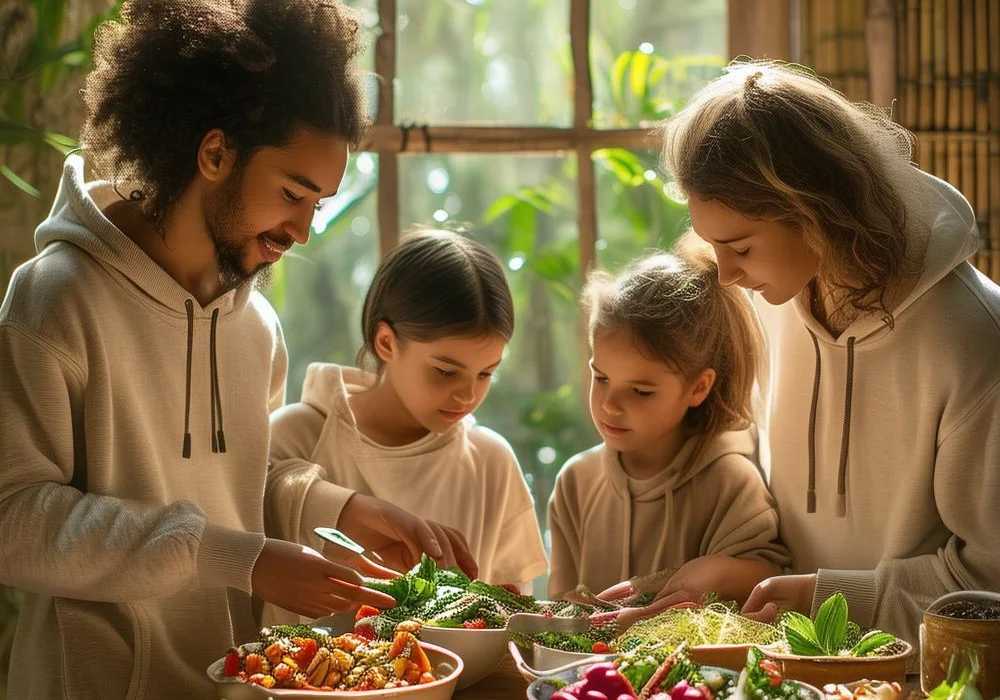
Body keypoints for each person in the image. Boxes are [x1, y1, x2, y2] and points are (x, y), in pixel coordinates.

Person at [0, 2, 472, 698]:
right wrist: (233, 556)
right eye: (292, 193)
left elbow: (234, 493)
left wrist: (342, 510)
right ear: (215, 153)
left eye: (318, 205)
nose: (303, 231)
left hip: (233, 684)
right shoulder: (55, 300)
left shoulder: (258, 329)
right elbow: (13, 519)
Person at [652, 60, 1000, 646]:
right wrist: (740, 566)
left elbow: (992, 583)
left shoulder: (974, 341)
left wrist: (835, 600)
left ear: (818, 214)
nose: (727, 274)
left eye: (739, 246)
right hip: (786, 656)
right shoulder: (774, 291)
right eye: (715, 246)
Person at [267, 229, 549, 600]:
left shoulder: (491, 462)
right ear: (386, 342)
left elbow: (512, 619)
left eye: (486, 373)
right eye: (446, 371)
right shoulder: (295, 437)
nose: (468, 395)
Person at [548, 244, 789, 603]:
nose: (611, 405)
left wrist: (716, 576)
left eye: (641, 391)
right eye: (601, 379)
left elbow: (770, 582)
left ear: (698, 387)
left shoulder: (730, 484)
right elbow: (559, 605)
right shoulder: (575, 483)